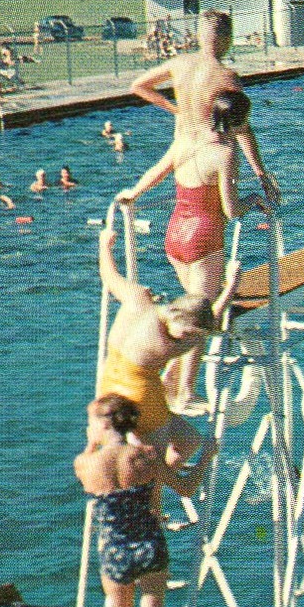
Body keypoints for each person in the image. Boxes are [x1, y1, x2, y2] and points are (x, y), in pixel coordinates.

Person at [116, 90, 267, 409]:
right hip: (204, 237)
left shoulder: (186, 139)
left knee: (188, 311)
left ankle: (170, 375)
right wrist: (253, 200)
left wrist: (133, 194)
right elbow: (231, 210)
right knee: (203, 317)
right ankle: (185, 390)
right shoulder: (226, 153)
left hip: (175, 235)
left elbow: (156, 173)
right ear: (240, 120)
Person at [75, 393, 211, 607]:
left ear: (104, 424)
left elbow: (90, 467)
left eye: (91, 422)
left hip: (115, 549)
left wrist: (90, 443)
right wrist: (206, 457)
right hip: (150, 543)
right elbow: (187, 487)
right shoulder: (146, 457)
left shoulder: (86, 463)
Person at [96, 225, 230, 461]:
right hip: (143, 401)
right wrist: (229, 289)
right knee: (154, 469)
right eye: (187, 333)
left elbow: (109, 276)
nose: (187, 338)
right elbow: (213, 325)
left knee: (190, 440)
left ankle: (165, 482)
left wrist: (105, 246)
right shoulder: (166, 345)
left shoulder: (137, 298)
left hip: (108, 389)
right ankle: (168, 485)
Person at [128, 11, 278, 205]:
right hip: (211, 154)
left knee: (187, 209)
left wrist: (176, 110)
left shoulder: (179, 64)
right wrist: (261, 173)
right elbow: (241, 128)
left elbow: (138, 86)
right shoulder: (226, 76)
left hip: (181, 153)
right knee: (216, 216)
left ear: (199, 35)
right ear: (227, 39)